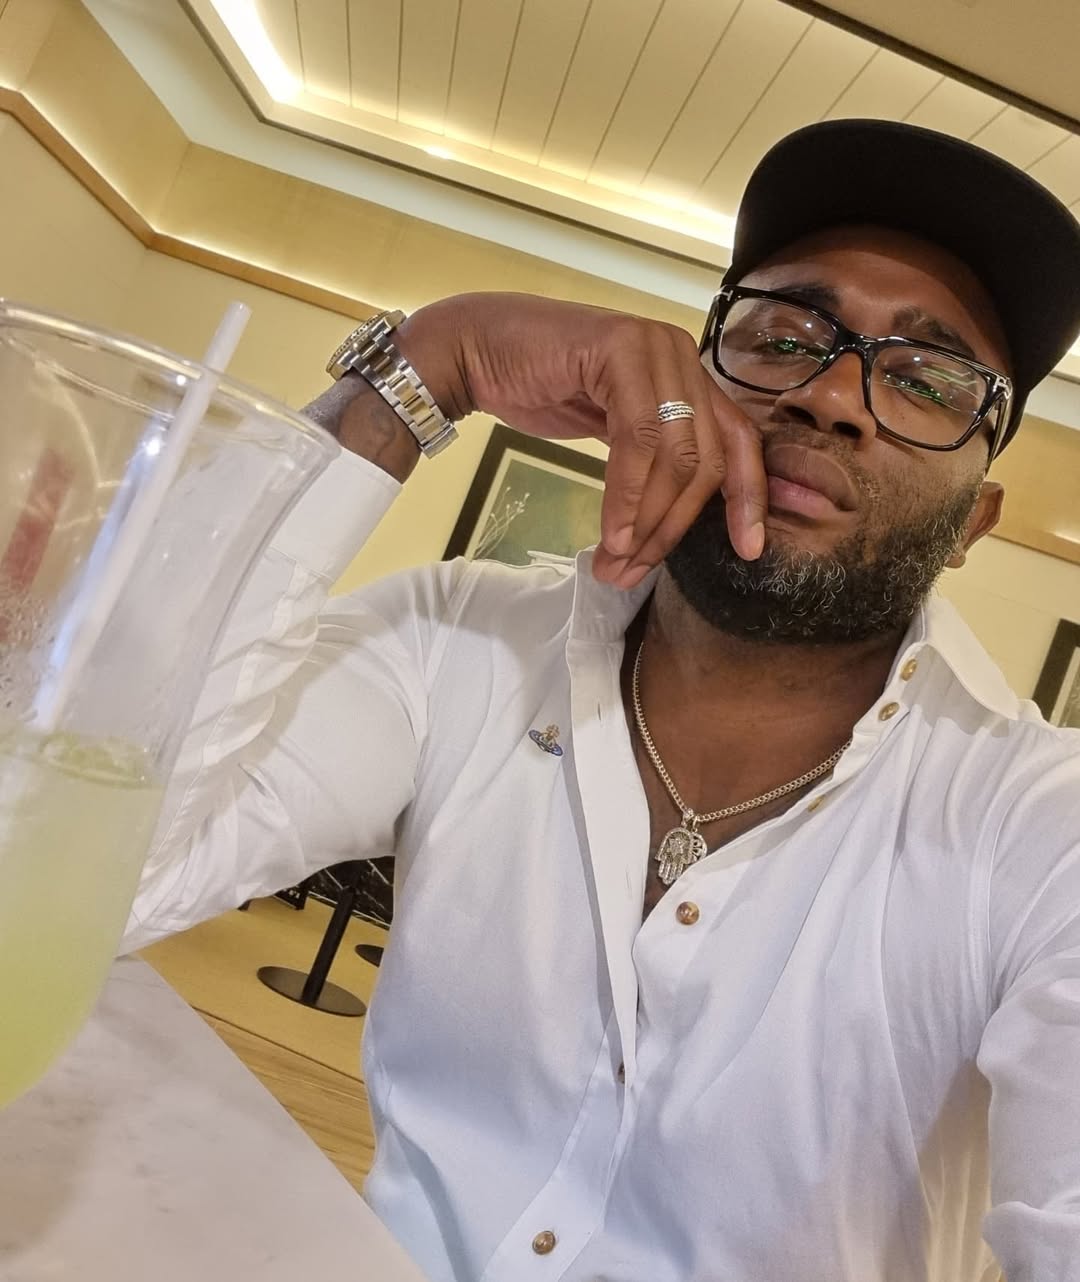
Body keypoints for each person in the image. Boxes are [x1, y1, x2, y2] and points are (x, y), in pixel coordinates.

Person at [123, 120, 1080, 1281]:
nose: (834, 396)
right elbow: (99, 865)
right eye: (787, 336)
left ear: (975, 523)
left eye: (929, 380)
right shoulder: (455, 640)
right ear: (689, 380)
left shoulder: (1045, 832)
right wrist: (425, 366)